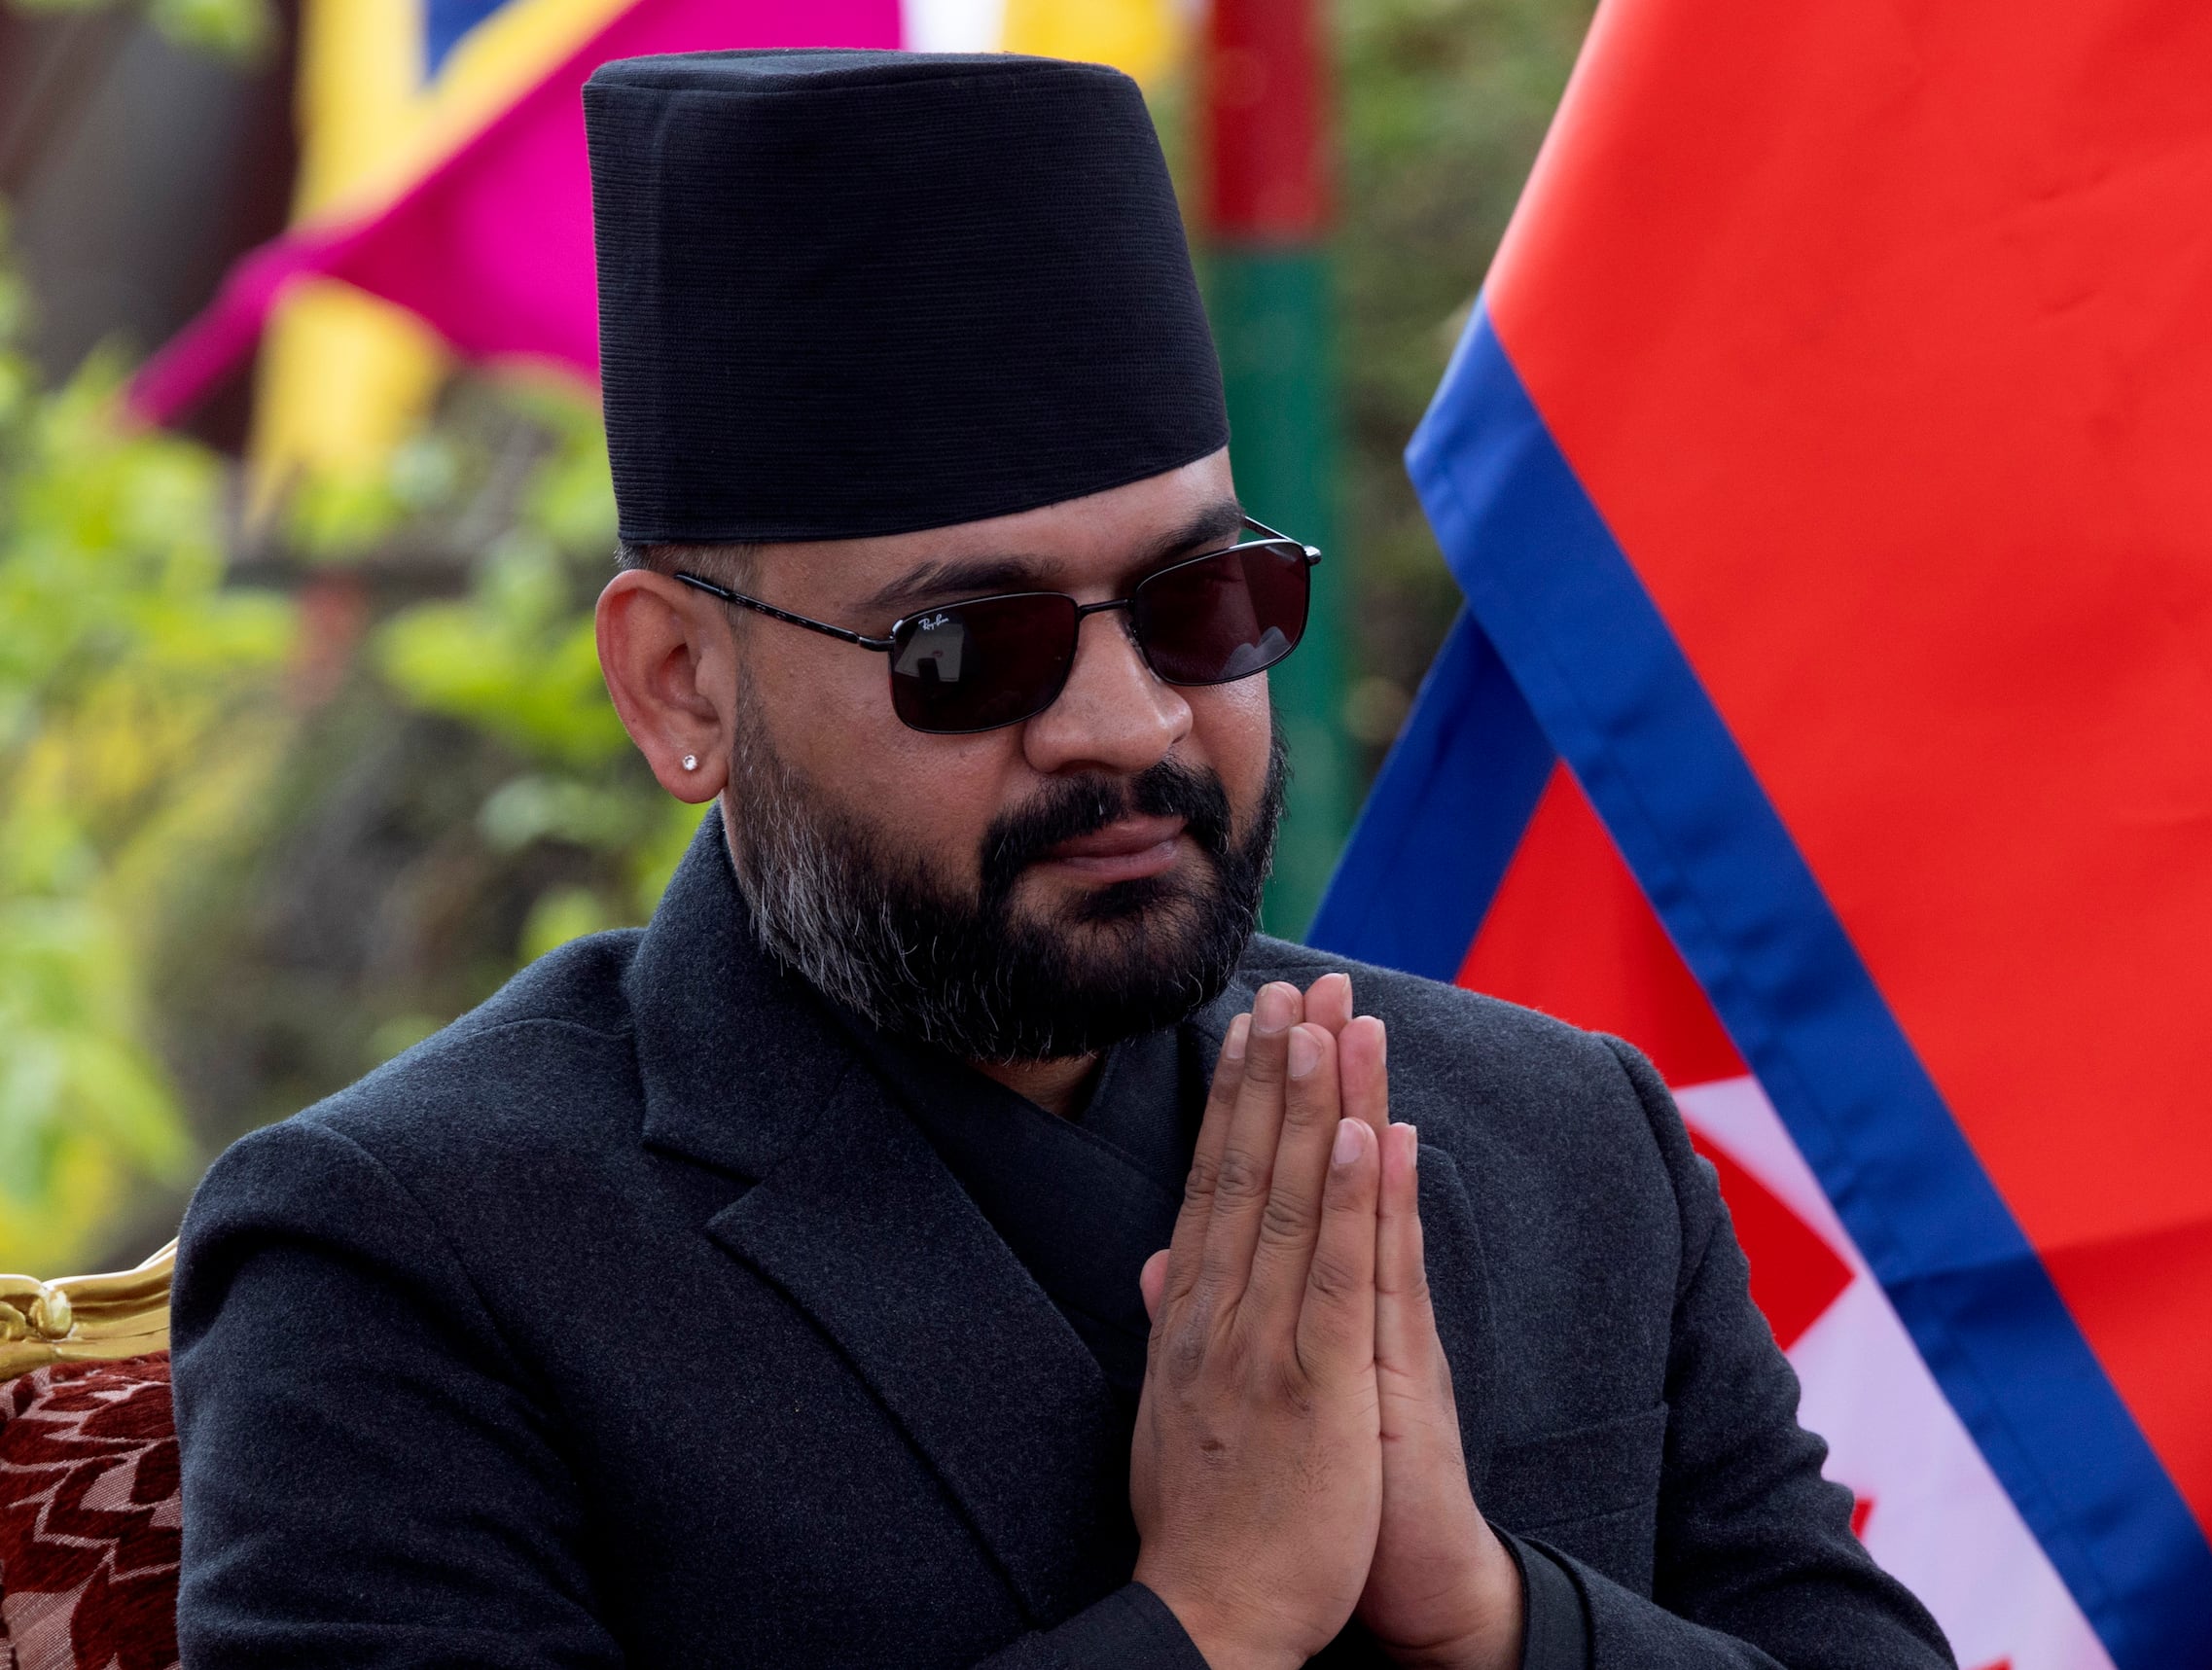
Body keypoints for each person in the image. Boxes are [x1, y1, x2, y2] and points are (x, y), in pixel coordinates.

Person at [170, 48, 1953, 1670]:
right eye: (967, 648)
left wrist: (1492, 1610)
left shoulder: (1559, 1138)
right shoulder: (413, 1254)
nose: (1127, 722)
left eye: (1200, 605)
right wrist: (1211, 1617)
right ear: (679, 681)